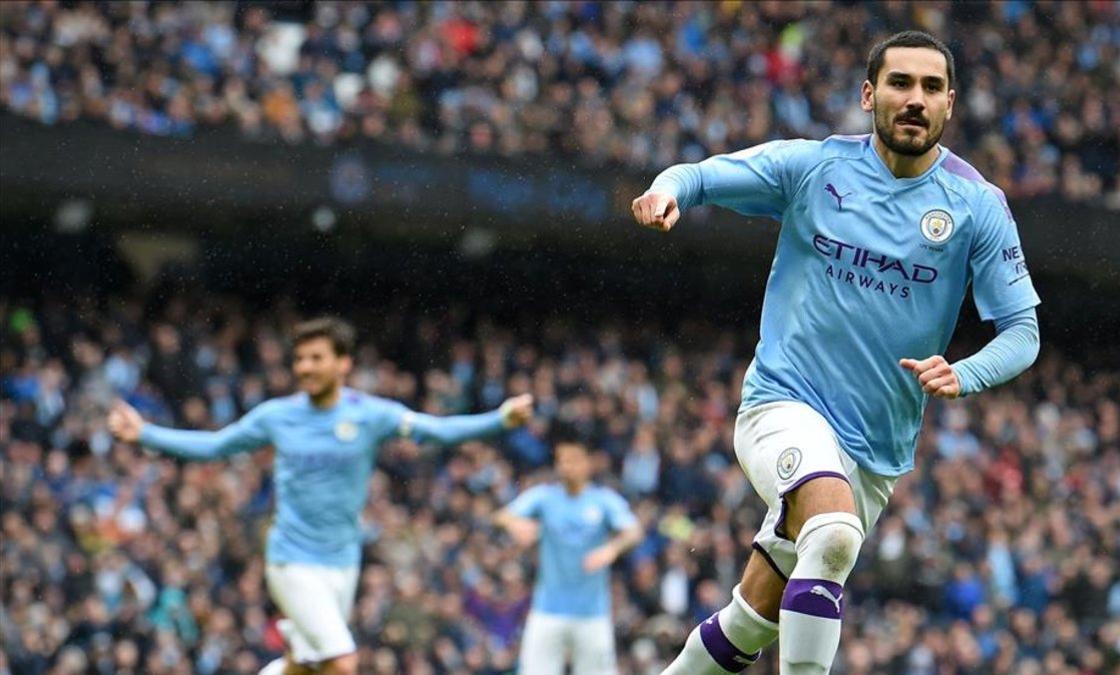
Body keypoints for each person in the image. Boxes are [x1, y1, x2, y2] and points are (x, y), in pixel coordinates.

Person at [632, 31, 1042, 675]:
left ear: (950, 104)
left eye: (931, 88)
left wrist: (965, 373)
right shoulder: (814, 167)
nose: (915, 100)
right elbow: (702, 174)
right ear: (868, 94)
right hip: (783, 405)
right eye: (901, 84)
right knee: (834, 533)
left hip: (877, 449)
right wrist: (667, 192)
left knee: (751, 621)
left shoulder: (977, 207)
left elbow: (1022, 331)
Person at [108, 317, 534, 675]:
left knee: (307, 667)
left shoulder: (369, 415)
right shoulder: (278, 416)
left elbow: (434, 430)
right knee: (342, 662)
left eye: (316, 358)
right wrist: (145, 433)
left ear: (343, 363)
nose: (305, 367)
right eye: (299, 359)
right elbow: (216, 446)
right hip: (292, 559)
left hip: (342, 563)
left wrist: (500, 420)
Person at [494, 438, 644, 675]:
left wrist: (612, 548)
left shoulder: (603, 500)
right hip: (547, 609)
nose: (567, 467)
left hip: (592, 612)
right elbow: (502, 515)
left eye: (573, 460)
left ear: (587, 464)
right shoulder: (544, 497)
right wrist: (516, 524)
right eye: (562, 461)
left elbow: (634, 531)